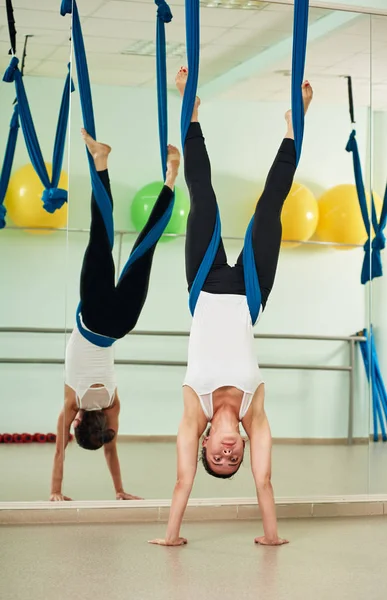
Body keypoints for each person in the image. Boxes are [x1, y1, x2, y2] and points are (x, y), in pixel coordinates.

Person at [150, 68, 313, 545]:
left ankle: (190, 110)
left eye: (218, 459)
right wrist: (271, 537)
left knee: (203, 196)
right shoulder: (253, 412)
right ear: (242, 445)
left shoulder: (192, 411)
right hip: (250, 290)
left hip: (203, 285)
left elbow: (183, 482)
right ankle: (294, 123)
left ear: (204, 444)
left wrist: (171, 536)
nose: (227, 454)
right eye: (233, 459)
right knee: (270, 206)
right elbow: (264, 481)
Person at [50, 130, 180, 501]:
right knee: (101, 235)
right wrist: (56, 491)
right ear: (76, 422)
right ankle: (101, 160)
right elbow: (59, 450)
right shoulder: (72, 401)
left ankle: (171, 176)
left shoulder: (112, 404)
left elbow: (110, 444)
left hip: (120, 323)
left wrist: (122, 490)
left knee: (145, 246)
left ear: (104, 423)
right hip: (92, 315)